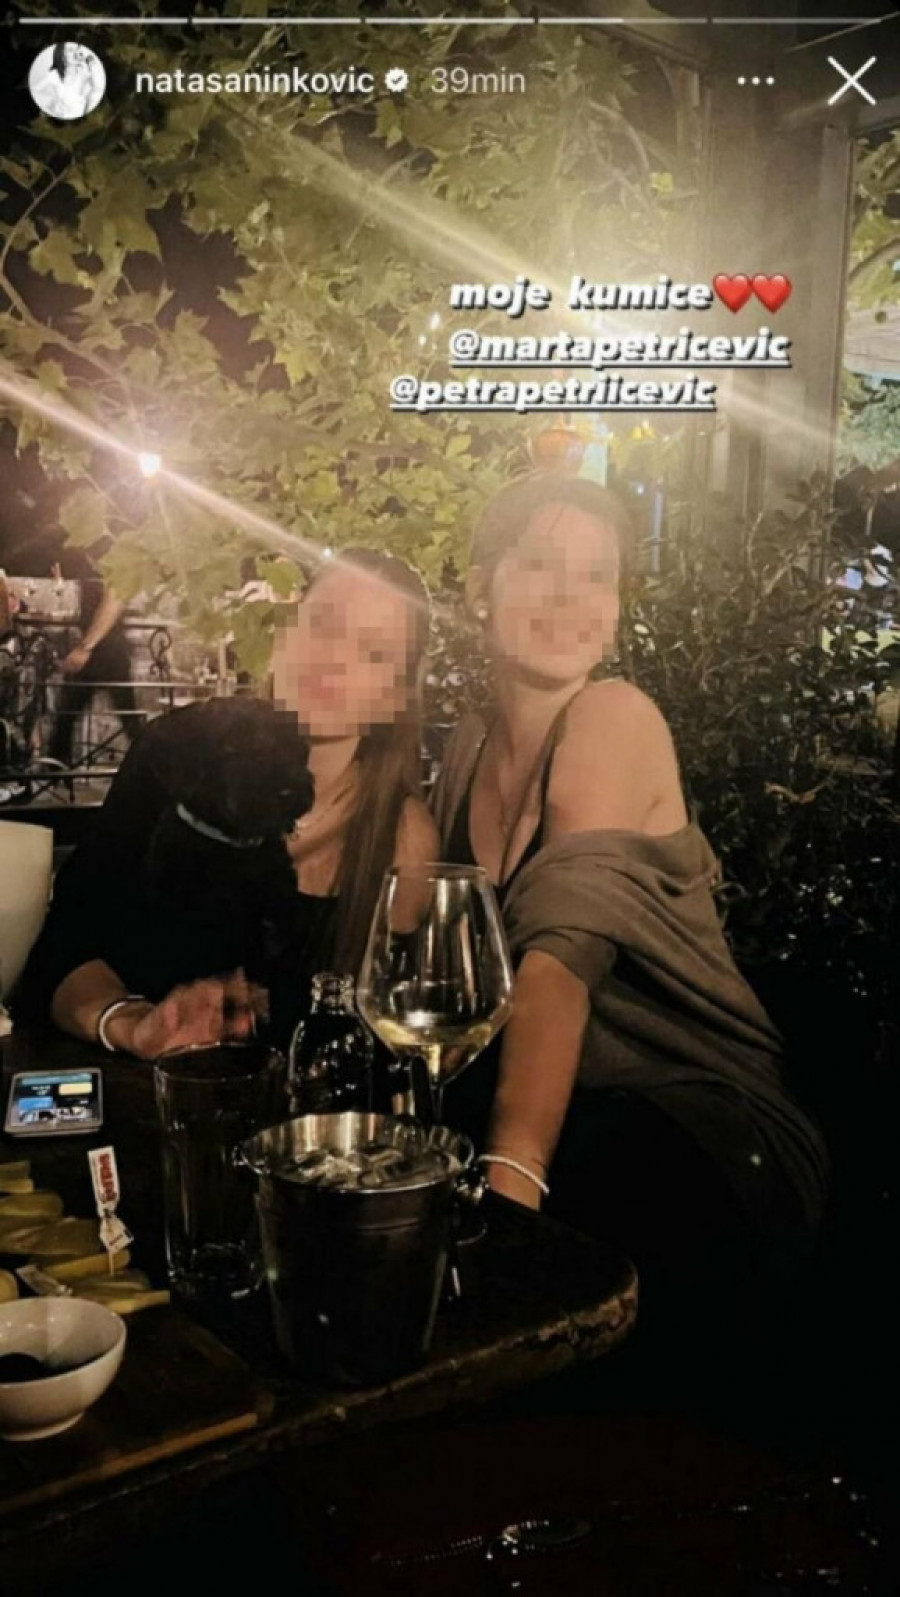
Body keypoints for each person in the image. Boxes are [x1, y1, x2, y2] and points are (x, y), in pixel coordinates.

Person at [432, 473, 830, 1365]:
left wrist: (510, 1189)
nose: (571, 597)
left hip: (695, 1125)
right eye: (541, 565)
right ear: (480, 586)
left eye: (597, 575)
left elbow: (555, 969)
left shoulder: (614, 718)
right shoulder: (469, 744)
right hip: (564, 1111)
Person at [16, 548, 438, 1058]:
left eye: (373, 652)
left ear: (395, 697)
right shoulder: (175, 752)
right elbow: (64, 948)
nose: (334, 659)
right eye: (323, 624)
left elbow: (397, 1043)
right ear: (285, 633)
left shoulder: (402, 837)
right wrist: (133, 1024)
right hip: (142, 1096)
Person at [45, 559, 139, 769]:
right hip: (101, 649)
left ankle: (53, 771)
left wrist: (86, 646)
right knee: (66, 718)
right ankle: (54, 770)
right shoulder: (91, 561)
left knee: (67, 718)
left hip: (106, 650)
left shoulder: (110, 556)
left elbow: (114, 601)